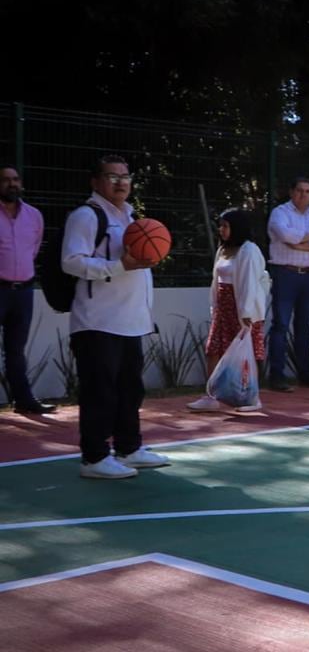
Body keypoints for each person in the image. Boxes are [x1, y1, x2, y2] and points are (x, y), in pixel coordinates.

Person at [62, 155, 169, 479]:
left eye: (125, 176)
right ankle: (94, 457)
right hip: (98, 320)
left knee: (130, 389)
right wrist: (118, 265)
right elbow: (71, 261)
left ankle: (128, 447)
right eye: (112, 176)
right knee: (99, 391)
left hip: (130, 321)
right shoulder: (87, 215)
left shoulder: (131, 217)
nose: (121, 182)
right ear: (96, 182)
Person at [187, 209, 269, 413]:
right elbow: (216, 280)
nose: (221, 230)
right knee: (213, 348)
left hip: (242, 309)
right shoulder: (223, 250)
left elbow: (249, 283)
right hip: (223, 307)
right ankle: (211, 395)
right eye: (220, 226)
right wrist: (214, 305)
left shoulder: (249, 250)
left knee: (246, 351)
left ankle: (252, 397)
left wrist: (247, 312)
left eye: (225, 226)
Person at [266, 177, 309, 392]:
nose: (304, 195)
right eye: (300, 190)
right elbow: (284, 234)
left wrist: (299, 243)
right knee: (281, 325)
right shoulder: (280, 212)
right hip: (286, 274)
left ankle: (306, 373)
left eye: (308, 191)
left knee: (304, 327)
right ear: (292, 192)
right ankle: (277, 376)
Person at [0, 164, 55, 414]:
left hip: (23, 292)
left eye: (15, 179)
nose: (12, 184)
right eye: (5, 180)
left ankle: (24, 400)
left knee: (16, 349)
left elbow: (33, 249)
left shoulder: (34, 215)